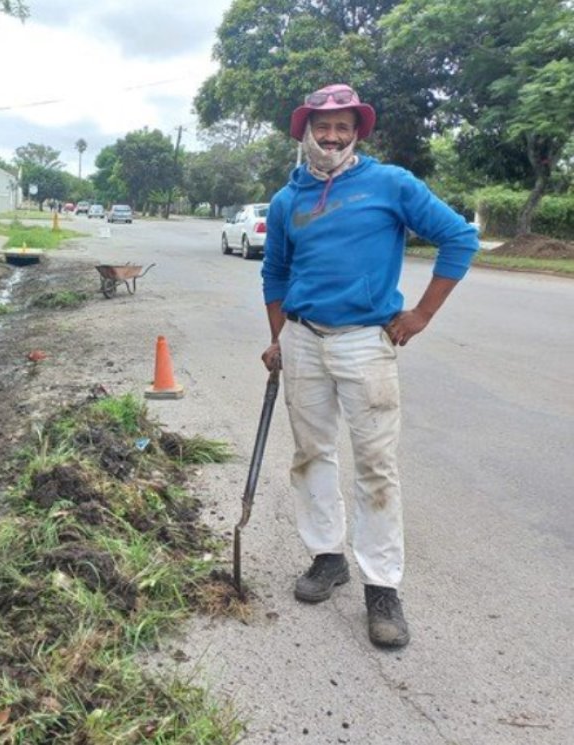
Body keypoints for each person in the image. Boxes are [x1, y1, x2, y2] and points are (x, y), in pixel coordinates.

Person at [260, 84, 479, 649]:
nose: (332, 136)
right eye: (322, 126)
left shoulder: (391, 184)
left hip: (365, 342)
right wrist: (278, 338)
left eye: (343, 127)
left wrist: (423, 314)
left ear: (357, 132)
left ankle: (382, 587)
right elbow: (276, 277)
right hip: (304, 340)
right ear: (304, 130)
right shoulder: (288, 201)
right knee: (311, 454)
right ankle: (328, 558)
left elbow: (459, 238)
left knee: (376, 465)